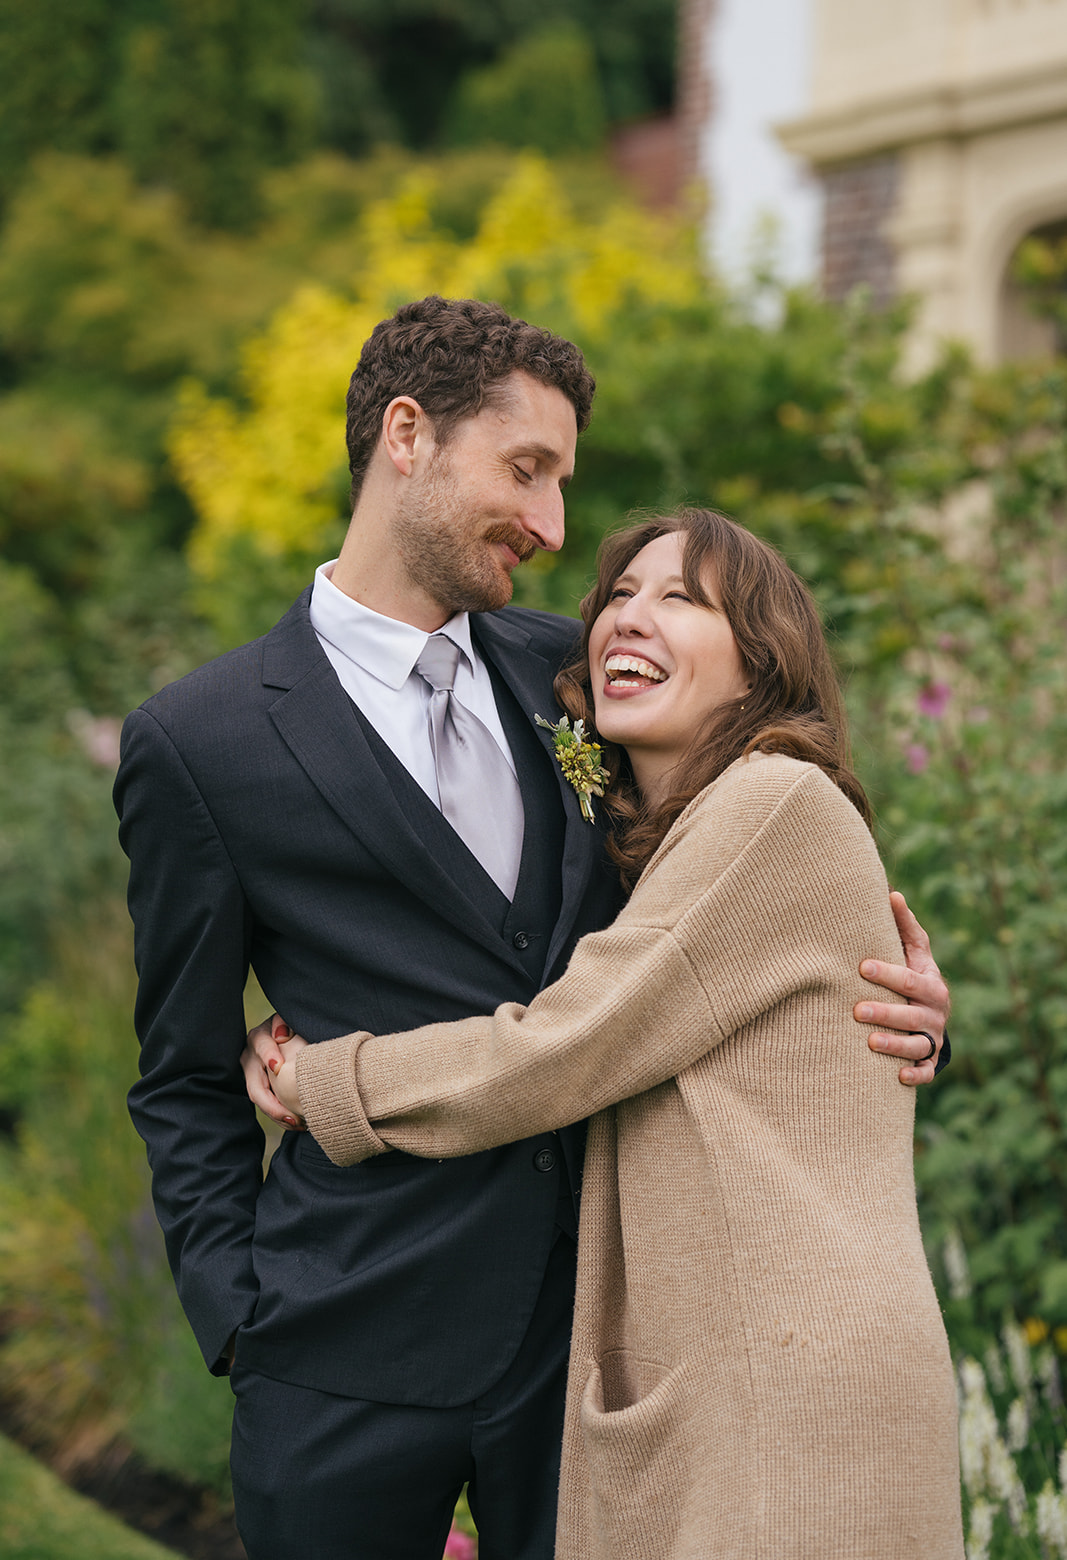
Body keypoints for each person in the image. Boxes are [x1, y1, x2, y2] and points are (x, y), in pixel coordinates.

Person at [117, 295, 949, 1560]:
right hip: (343, 1342)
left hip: (593, 1358)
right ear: (408, 435)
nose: (555, 527)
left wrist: (887, 1003)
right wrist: (240, 1316)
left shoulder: (578, 676)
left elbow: (708, 904)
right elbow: (180, 1068)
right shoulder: (202, 741)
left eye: (562, 483)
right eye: (526, 471)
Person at [246, 509, 964, 1559]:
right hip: (739, 1366)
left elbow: (562, 1045)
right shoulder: (666, 838)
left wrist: (329, 1082)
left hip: (789, 1385)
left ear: (761, 661)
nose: (629, 618)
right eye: (617, 597)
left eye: (680, 598)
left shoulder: (770, 802)